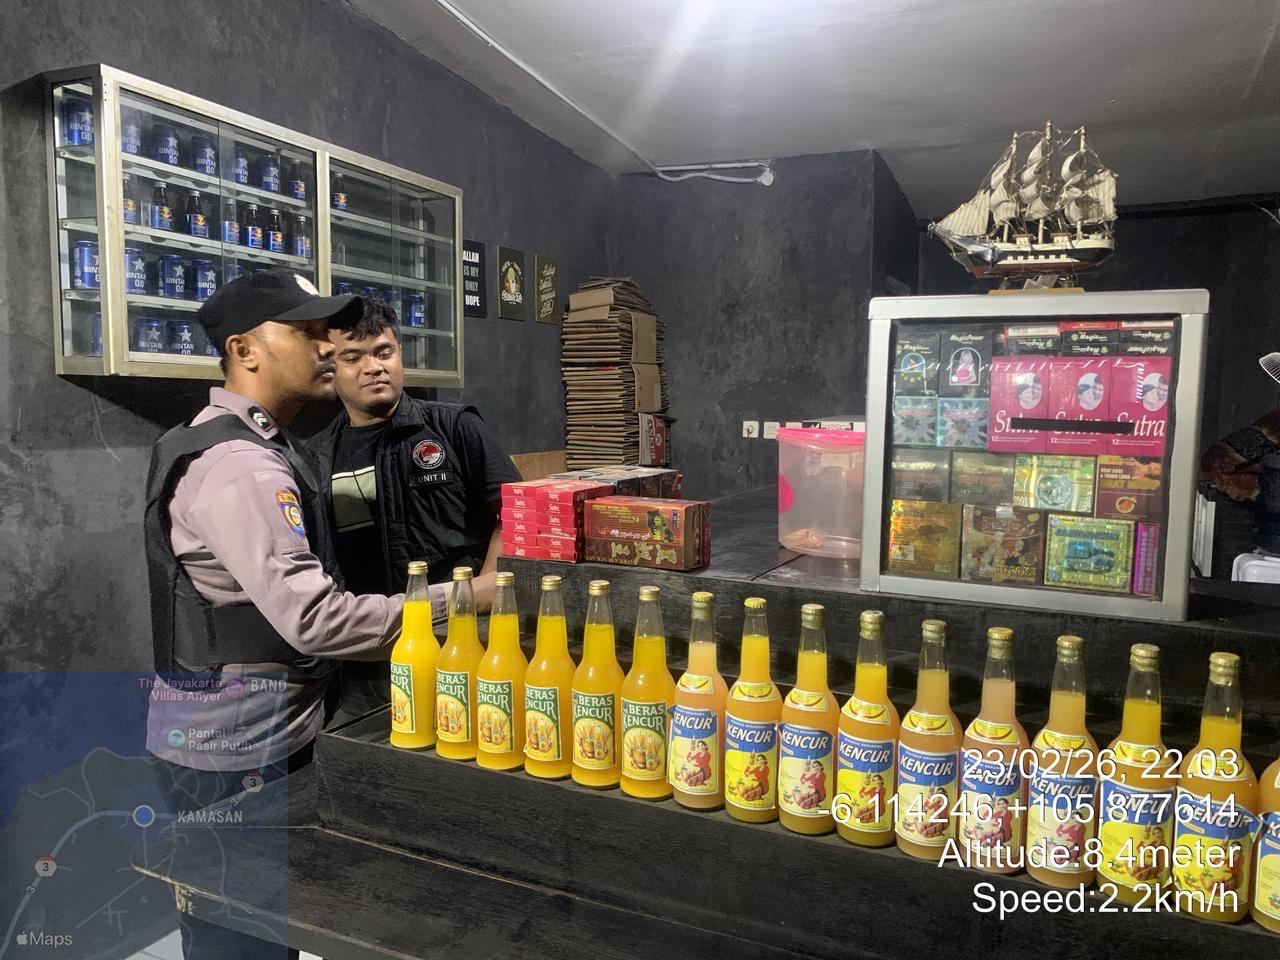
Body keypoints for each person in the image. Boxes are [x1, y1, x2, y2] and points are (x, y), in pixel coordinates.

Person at [143, 270, 404, 960]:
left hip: (250, 737)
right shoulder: (241, 465)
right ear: (244, 350)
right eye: (306, 331)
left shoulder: (245, 443)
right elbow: (316, 621)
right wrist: (463, 604)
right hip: (234, 754)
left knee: (269, 929)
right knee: (240, 940)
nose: (328, 346)